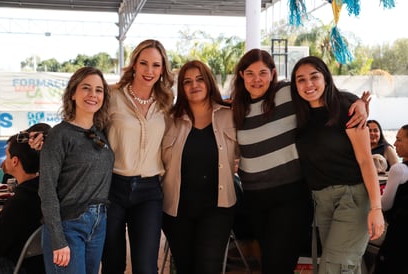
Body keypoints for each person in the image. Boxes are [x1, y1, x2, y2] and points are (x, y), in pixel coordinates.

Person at [230, 49, 368, 274]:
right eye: (250, 74)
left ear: (273, 74)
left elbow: (327, 94)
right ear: (242, 76)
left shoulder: (287, 93)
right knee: (270, 262)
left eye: (263, 73)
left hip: (290, 196)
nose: (257, 80)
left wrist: (358, 103)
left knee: (277, 264)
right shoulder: (236, 108)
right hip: (255, 199)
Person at [291, 56, 385, 273]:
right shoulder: (300, 114)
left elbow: (365, 160)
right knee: (345, 267)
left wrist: (376, 207)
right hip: (322, 201)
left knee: (334, 268)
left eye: (314, 77)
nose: (308, 85)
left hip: (352, 198)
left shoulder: (346, 108)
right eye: (301, 80)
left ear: (326, 78)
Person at [101, 39, 174, 274]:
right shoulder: (111, 96)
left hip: (149, 191)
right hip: (112, 187)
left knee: (146, 267)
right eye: (143, 63)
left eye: (155, 65)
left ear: (162, 69)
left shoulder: (167, 102)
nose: (149, 71)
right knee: (113, 263)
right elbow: (83, 126)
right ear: (134, 65)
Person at [161, 60, 238, 274]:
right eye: (187, 81)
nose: (194, 85)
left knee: (208, 268)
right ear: (181, 88)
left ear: (209, 82)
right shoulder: (169, 120)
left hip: (218, 208)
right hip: (177, 210)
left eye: (199, 79)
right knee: (185, 268)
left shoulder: (230, 115)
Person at [38, 66, 114, 274]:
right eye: (86, 88)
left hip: (98, 223)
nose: (93, 95)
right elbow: (46, 189)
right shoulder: (59, 136)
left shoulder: (101, 132)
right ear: (73, 93)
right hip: (68, 225)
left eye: (99, 90)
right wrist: (57, 238)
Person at [0, 122, 51, 274]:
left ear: (15, 161)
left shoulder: (20, 201)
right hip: (44, 264)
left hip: (20, 266)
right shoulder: (45, 190)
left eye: (7, 155)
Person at [374, 124, 408, 274]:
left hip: (399, 236)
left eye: (399, 140)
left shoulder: (399, 170)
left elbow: (385, 205)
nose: (394, 144)